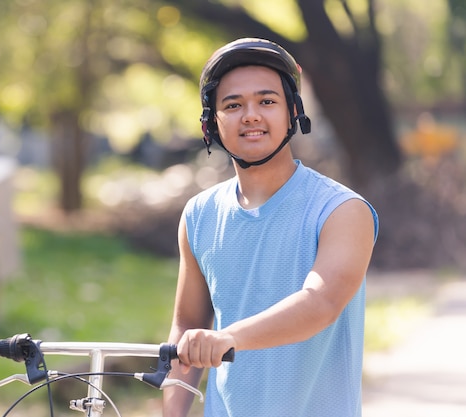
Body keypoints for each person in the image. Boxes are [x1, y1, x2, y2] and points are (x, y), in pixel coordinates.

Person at [162, 38, 379, 417]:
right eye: (233, 105)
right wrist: (170, 414)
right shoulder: (199, 215)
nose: (250, 115)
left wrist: (228, 338)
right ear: (210, 123)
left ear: (293, 111)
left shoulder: (342, 210)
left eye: (267, 101)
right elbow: (187, 328)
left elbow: (321, 303)